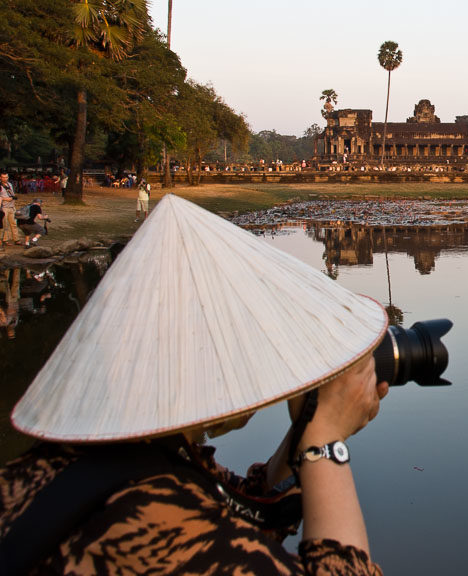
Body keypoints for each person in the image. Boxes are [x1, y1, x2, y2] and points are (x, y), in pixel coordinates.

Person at [0, 195, 392, 574]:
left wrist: (305, 429)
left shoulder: (89, 458)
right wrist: (324, 442)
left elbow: (245, 508)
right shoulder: (156, 524)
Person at [0, 172, 19, 247]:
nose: (5, 179)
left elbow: (12, 194)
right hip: (4, 207)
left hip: (12, 206)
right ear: (0, 178)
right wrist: (7, 199)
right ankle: (5, 240)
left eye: (6, 177)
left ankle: (16, 239)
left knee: (14, 224)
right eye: (3, 177)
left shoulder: (10, 184)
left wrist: (13, 198)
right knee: (5, 225)